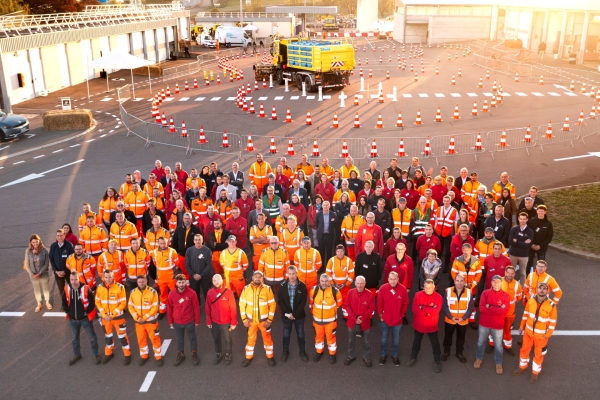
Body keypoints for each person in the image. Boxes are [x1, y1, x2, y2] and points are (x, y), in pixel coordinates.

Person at [513, 281, 557, 383]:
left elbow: (552, 322)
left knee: (538, 355)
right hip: (528, 333)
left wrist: (547, 335)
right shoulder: (531, 300)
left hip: (541, 336)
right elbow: (526, 314)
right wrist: (521, 327)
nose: (542, 290)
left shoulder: (551, 305)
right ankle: (522, 366)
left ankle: (535, 373)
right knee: (524, 350)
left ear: (547, 291)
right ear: (537, 289)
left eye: (544, 288)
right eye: (540, 288)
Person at [240, 270, 276, 367]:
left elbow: (272, 305)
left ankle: (270, 357)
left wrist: (269, 320)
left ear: (262, 278)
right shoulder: (246, 289)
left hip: (264, 322)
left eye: (259, 277)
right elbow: (242, 304)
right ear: (252, 278)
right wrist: (244, 319)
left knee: (267, 339)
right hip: (251, 322)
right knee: (251, 339)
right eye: (255, 276)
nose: (257, 278)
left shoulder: (267, 289)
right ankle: (248, 357)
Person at [63, 271, 100, 365]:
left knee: (92, 338)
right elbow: (63, 301)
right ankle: (77, 354)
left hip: (85, 319)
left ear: (79, 279)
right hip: (73, 320)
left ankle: (96, 354)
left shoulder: (86, 288)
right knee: (74, 339)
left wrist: (86, 312)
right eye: (71, 279)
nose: (73, 281)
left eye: (75, 279)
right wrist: (68, 312)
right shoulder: (67, 288)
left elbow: (92, 302)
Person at [474, 275, 510, 374]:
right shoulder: (485, 293)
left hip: (497, 326)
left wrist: (489, 306)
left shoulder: (506, 296)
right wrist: (497, 308)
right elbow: (481, 309)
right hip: (484, 324)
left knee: (498, 345)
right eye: (494, 281)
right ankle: (478, 358)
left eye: (498, 281)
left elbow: (504, 312)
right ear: (491, 282)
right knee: (480, 342)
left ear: (501, 283)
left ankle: (498, 362)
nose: (495, 283)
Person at [95, 270, 130, 365]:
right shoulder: (99, 287)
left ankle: (127, 355)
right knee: (108, 337)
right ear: (103, 277)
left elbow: (123, 303)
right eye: (106, 277)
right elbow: (97, 302)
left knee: (122, 337)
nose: (108, 279)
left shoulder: (120, 287)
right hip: (105, 319)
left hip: (118, 318)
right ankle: (108, 353)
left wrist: (112, 315)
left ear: (113, 276)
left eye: (109, 277)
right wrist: (104, 314)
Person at [407, 279, 442, 372]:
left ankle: (437, 361)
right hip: (419, 325)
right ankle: (413, 357)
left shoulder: (438, 297)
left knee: (435, 344)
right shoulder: (418, 295)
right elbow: (415, 309)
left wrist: (422, 308)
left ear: (434, 287)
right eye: (425, 287)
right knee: (416, 342)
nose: (427, 289)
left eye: (429, 288)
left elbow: (436, 311)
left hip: (432, 326)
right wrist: (429, 311)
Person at [128, 274, 163, 366]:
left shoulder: (153, 292)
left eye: (143, 281)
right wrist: (137, 318)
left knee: (155, 339)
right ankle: (144, 356)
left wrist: (144, 318)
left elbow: (155, 307)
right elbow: (130, 307)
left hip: (151, 322)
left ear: (146, 281)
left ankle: (158, 357)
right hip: (139, 322)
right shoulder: (133, 292)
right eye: (139, 282)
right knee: (141, 340)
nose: (141, 283)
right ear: (137, 282)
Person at [277, 266, 309, 362]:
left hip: (299, 316)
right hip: (287, 316)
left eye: (293, 274)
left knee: (301, 335)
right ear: (287, 274)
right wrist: (288, 313)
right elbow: (280, 301)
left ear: (297, 273)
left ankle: (302, 351)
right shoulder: (282, 286)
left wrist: (294, 314)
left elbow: (303, 302)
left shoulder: (302, 286)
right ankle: (285, 352)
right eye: (290, 274)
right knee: (286, 334)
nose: (291, 276)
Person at [488, 266, 522, 355]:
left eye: (512, 273)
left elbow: (519, 297)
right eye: (508, 273)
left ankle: (507, 346)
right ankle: (492, 344)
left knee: (508, 330)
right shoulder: (498, 282)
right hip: (498, 311)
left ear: (514, 274)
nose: (510, 275)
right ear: (505, 273)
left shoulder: (517, 285)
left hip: (510, 313)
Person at [168, 274, 201, 366]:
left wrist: (197, 321)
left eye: (183, 282)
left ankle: (194, 353)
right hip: (177, 322)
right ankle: (181, 354)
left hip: (189, 321)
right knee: (179, 340)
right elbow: (169, 308)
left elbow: (196, 308)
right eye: (179, 282)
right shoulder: (172, 294)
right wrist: (170, 321)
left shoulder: (192, 293)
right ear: (176, 283)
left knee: (192, 338)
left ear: (185, 282)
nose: (181, 284)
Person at [310, 273, 343, 364]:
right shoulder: (314, 290)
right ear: (319, 281)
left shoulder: (335, 291)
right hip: (317, 321)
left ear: (329, 281)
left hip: (330, 321)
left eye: (326, 281)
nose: (324, 283)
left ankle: (332, 354)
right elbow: (311, 303)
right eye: (322, 281)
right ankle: (319, 352)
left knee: (331, 338)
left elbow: (339, 303)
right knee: (318, 338)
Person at [378, 271, 409, 366]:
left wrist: (402, 315)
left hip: (397, 321)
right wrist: (380, 315)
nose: (392, 281)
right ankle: (383, 354)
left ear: (398, 279)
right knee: (383, 339)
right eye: (391, 279)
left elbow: (405, 303)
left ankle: (394, 355)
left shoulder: (403, 289)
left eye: (394, 279)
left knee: (396, 340)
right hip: (385, 320)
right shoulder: (383, 288)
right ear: (388, 279)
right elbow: (379, 303)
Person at [441, 274, 474, 364]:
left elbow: (471, 307)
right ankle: (446, 352)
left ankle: (459, 353)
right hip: (450, 320)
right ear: (454, 281)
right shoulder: (448, 291)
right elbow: (444, 305)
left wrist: (463, 318)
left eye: (462, 281)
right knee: (448, 337)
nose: (459, 283)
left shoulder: (468, 292)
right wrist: (451, 317)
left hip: (462, 321)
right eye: (457, 281)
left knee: (461, 338)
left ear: (464, 282)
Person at [205, 274, 238, 365]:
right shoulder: (210, 293)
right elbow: (207, 307)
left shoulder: (229, 292)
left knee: (228, 339)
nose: (216, 282)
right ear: (212, 282)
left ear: (222, 281)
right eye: (214, 280)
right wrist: (208, 320)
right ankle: (219, 353)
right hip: (214, 321)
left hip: (226, 321)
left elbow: (233, 308)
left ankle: (228, 353)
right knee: (216, 339)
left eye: (218, 279)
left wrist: (233, 322)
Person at [344, 276, 375, 367]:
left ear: (365, 284)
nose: (360, 285)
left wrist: (362, 318)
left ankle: (366, 357)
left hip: (364, 323)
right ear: (355, 283)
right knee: (351, 340)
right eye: (358, 283)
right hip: (352, 323)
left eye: (361, 283)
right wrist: (355, 318)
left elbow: (371, 308)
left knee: (366, 341)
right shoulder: (350, 293)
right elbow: (347, 306)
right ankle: (351, 356)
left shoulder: (369, 295)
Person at [450, 243, 481, 329]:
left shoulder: (476, 261)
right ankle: (459, 318)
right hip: (460, 286)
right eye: (464, 250)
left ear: (471, 250)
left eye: (467, 250)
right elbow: (453, 272)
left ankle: (471, 320)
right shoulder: (457, 260)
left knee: (472, 304)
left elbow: (478, 274)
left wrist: (473, 284)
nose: (465, 251)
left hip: (472, 288)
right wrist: (459, 283)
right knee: (460, 302)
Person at [151, 237, 178, 319]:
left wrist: (174, 275)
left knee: (174, 294)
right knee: (163, 294)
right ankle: (162, 310)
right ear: (158, 243)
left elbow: (177, 264)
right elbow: (155, 263)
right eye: (161, 243)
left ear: (168, 243)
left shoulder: (172, 251)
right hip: (161, 278)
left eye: (164, 243)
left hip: (171, 278)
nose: (163, 245)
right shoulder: (154, 252)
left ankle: (175, 310)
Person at [326, 244, 355, 318]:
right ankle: (333, 315)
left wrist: (345, 284)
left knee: (346, 301)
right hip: (333, 286)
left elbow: (351, 274)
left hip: (345, 286)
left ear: (344, 251)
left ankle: (346, 315)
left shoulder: (348, 260)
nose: (340, 253)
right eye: (338, 251)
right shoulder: (331, 260)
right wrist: (333, 284)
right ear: (336, 252)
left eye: (341, 251)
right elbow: (328, 273)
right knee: (333, 301)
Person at [171, 212, 201, 280]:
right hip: (181, 255)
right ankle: (187, 284)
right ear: (183, 219)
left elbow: (200, 242)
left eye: (188, 218)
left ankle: (193, 284)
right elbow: (174, 241)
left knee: (193, 270)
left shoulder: (196, 229)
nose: (187, 220)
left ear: (191, 219)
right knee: (184, 271)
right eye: (185, 218)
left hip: (192, 255)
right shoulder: (178, 228)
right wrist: (176, 252)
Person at [25, 234, 51, 312]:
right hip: (33, 274)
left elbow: (46, 263)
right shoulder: (28, 251)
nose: (35, 244)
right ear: (31, 243)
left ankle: (47, 302)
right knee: (36, 289)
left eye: (37, 242)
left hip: (43, 273)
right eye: (33, 242)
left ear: (39, 241)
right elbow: (27, 264)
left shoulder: (44, 250)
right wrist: (32, 274)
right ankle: (39, 303)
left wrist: (39, 273)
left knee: (45, 288)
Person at [185, 234, 214, 305]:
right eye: (196, 240)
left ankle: (209, 308)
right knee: (195, 295)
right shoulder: (189, 250)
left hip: (205, 277)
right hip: (193, 277)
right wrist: (192, 274)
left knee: (208, 294)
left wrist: (201, 275)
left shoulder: (207, 251)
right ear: (193, 241)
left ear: (202, 240)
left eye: (199, 240)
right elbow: (187, 264)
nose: (198, 241)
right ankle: (196, 308)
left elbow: (209, 265)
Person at [49, 229, 75, 308]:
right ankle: (64, 304)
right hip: (57, 273)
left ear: (64, 235)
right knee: (61, 289)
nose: (59, 237)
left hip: (68, 272)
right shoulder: (53, 246)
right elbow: (51, 259)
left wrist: (65, 271)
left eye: (61, 235)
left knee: (72, 288)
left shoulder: (69, 245)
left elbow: (72, 259)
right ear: (56, 236)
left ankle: (73, 303)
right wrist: (56, 271)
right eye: (58, 236)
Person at [384, 243, 414, 309]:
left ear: (405, 249)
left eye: (401, 249)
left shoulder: (409, 260)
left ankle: (401, 315)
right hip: (391, 285)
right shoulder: (390, 259)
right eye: (398, 249)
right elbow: (386, 273)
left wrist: (409, 287)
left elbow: (411, 274)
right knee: (391, 301)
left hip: (404, 286)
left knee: (402, 302)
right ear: (395, 249)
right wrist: (386, 284)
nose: (400, 251)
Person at [433, 195, 458, 271]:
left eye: (447, 201)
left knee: (448, 251)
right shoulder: (439, 209)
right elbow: (436, 220)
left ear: (450, 201)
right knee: (438, 250)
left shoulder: (454, 210)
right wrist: (435, 228)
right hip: (438, 232)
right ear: (443, 201)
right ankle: (437, 265)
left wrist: (455, 233)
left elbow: (456, 222)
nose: (446, 202)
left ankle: (446, 265)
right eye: (445, 201)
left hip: (448, 234)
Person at [508, 213, 534, 284]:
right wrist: (523, 242)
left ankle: (523, 289)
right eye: (521, 219)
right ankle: (510, 285)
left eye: (524, 219)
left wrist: (517, 241)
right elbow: (510, 241)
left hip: (524, 255)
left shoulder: (530, 231)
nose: (522, 221)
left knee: (522, 273)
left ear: (527, 220)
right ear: (518, 219)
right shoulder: (514, 229)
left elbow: (528, 245)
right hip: (513, 254)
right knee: (510, 272)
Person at [526, 205, 553, 271]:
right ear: (537, 211)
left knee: (541, 265)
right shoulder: (531, 221)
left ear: (545, 212)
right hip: (531, 246)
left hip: (542, 248)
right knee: (529, 263)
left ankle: (540, 279)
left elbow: (549, 236)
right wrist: (531, 244)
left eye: (542, 211)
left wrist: (540, 246)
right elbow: (527, 233)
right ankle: (528, 277)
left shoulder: (548, 224)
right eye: (539, 211)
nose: (540, 213)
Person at [316, 201, 337, 265]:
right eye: (324, 205)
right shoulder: (318, 214)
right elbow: (316, 224)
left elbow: (334, 224)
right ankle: (321, 267)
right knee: (321, 252)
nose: (325, 207)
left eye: (327, 205)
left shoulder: (333, 214)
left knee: (329, 252)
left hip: (329, 236)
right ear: (322, 206)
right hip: (321, 236)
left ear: (329, 206)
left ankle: (328, 266)